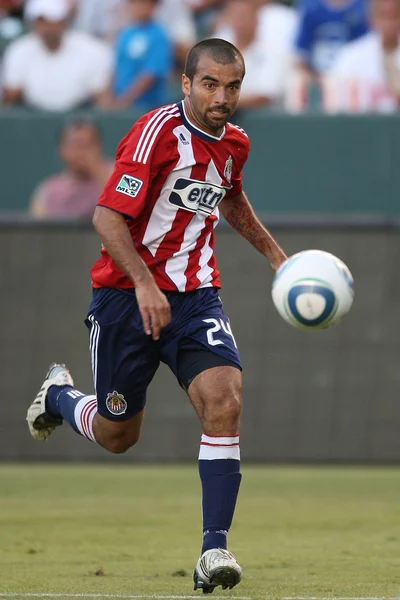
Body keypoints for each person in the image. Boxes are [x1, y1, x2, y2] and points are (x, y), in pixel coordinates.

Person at [26, 38, 287, 593]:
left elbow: (231, 199)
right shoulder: (156, 134)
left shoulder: (235, 143)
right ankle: (59, 397)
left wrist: (275, 256)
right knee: (119, 434)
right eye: (210, 84)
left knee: (225, 400)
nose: (222, 97)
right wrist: (144, 284)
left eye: (233, 86)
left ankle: (213, 550)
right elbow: (106, 218)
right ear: (187, 83)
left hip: (195, 298)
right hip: (127, 299)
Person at [2, 0, 112, 111]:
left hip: (80, 115)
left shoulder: (92, 49)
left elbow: (102, 96)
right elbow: (10, 94)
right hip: (32, 114)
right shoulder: (19, 50)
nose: (48, 28)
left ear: (64, 22)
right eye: (42, 21)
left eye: (53, 21)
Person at [29, 118, 114, 219]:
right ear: (61, 150)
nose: (81, 152)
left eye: (87, 144)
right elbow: (37, 228)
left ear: (100, 146)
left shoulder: (120, 174)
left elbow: (125, 208)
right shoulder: (48, 190)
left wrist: (97, 170)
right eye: (75, 145)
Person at [324, 0, 400, 112]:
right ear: (371, 18)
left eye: (394, 16)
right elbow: (334, 103)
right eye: (383, 16)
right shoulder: (350, 56)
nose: (388, 23)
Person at [98, 0, 173, 111]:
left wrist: (125, 101)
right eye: (134, 2)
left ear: (153, 6)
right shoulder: (125, 33)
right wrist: (108, 97)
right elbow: (115, 68)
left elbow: (151, 74)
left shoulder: (159, 34)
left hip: (146, 107)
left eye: (144, 3)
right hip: (119, 102)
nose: (138, 7)